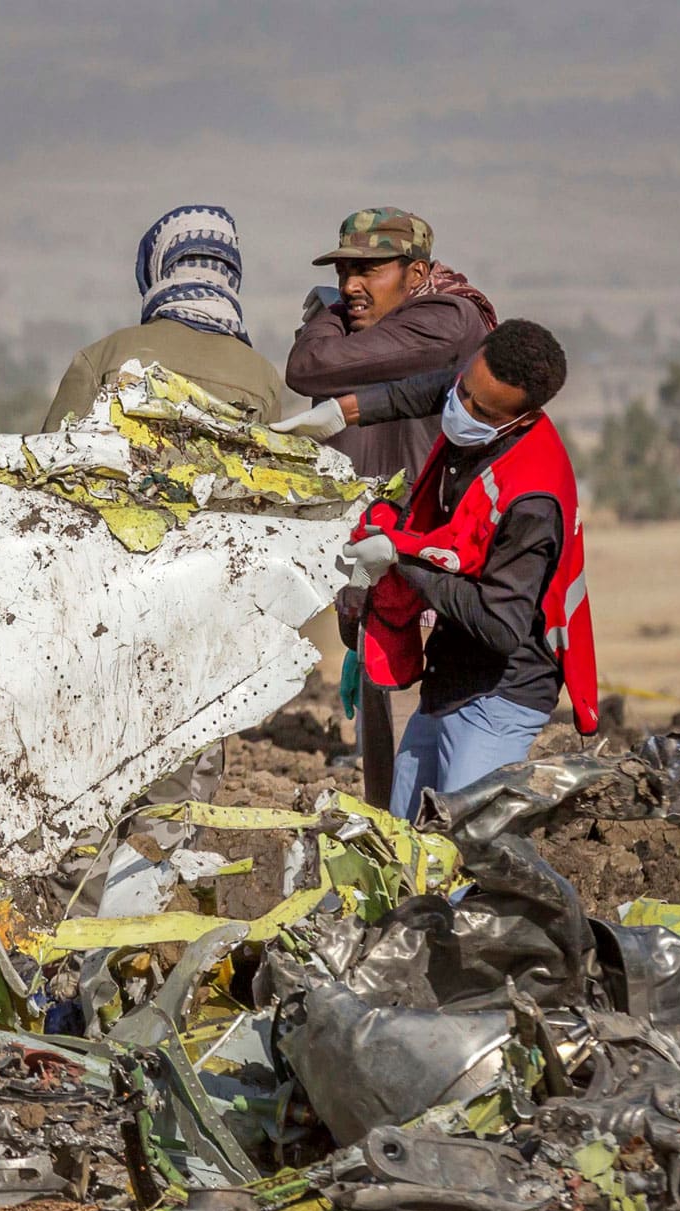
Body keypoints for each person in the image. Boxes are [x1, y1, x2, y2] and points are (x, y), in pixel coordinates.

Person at [270, 206, 496, 812]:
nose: (350, 286)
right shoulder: (368, 336)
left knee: (444, 757)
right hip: (376, 568)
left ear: (417, 271)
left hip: (435, 573)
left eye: (369, 269)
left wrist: (321, 318)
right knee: (386, 758)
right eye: (344, 271)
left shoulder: (449, 319)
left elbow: (308, 367)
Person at [335, 319, 598, 821]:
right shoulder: (478, 397)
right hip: (450, 676)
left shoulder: (531, 501)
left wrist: (403, 559)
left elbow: (501, 625)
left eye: (481, 409)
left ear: (519, 420)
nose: (460, 410)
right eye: (465, 391)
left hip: (499, 697)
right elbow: (432, 391)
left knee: (463, 850)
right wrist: (339, 413)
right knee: (404, 836)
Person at [41, 205, 284, 431]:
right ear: (232, 273)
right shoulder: (264, 378)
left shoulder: (105, 355)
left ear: (155, 266)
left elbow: (47, 457)